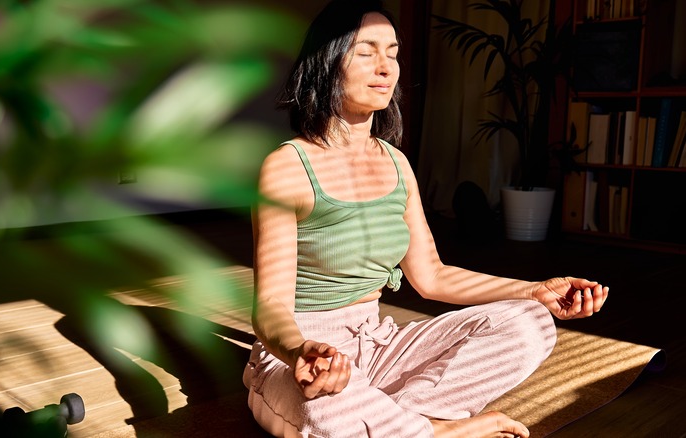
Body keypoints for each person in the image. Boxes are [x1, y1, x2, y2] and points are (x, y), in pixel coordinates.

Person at [242, 1, 609, 437]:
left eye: (393, 53)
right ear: (326, 62)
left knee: (529, 323)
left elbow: (431, 276)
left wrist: (534, 291)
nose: (385, 67)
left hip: (377, 345)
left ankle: (409, 424)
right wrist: (301, 350)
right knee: (324, 411)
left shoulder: (396, 163)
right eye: (366, 52)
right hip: (306, 358)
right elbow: (271, 307)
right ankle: (432, 429)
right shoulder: (287, 168)